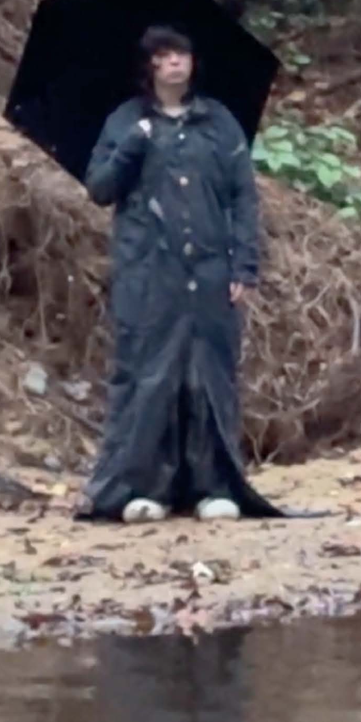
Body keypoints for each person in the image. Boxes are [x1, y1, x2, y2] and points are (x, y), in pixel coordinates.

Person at [79, 26, 288, 524]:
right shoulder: (126, 121)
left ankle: (212, 487)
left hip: (212, 273)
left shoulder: (218, 123)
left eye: (184, 54)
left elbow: (242, 197)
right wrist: (133, 143)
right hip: (149, 275)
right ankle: (144, 487)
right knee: (150, 377)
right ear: (150, 65)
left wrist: (244, 266)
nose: (177, 63)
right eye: (166, 56)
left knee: (208, 378)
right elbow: (99, 189)